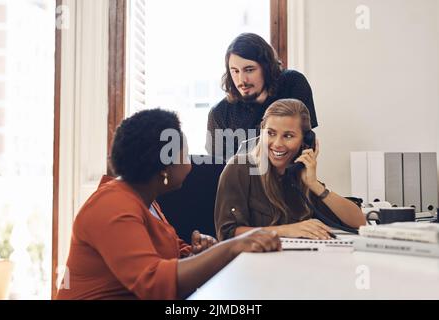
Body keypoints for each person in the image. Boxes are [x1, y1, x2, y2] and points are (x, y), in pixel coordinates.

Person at [55, 109, 280, 300]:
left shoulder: (143, 198)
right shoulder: (113, 206)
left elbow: (161, 253)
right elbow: (153, 282)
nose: (191, 161)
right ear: (164, 169)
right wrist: (231, 246)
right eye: (185, 153)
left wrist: (193, 253)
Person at [214, 99, 366, 241]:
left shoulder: (300, 176)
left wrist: (314, 185)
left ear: (305, 141)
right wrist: (285, 230)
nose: (277, 143)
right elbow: (228, 234)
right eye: (271, 133)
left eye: (288, 136)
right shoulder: (240, 168)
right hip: (253, 263)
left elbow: (359, 222)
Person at [206, 33, 318, 161]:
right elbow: (219, 170)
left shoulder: (293, 83)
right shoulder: (220, 113)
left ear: (266, 67)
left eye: (249, 69)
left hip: (293, 176)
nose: (242, 80)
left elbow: (307, 142)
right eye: (235, 71)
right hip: (245, 179)